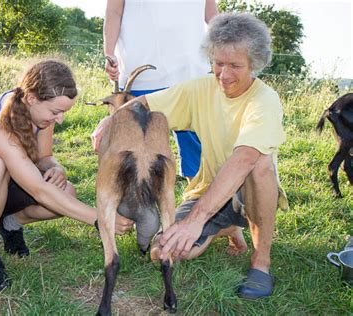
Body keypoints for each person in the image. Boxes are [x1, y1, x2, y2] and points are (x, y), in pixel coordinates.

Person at [92, 13, 289, 299]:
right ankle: (226, 227)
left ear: (254, 65)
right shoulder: (201, 88)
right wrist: (112, 119)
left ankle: (261, 263)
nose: (223, 74)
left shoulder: (265, 100)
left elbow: (244, 159)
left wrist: (195, 221)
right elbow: (146, 103)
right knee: (163, 251)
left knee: (260, 165)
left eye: (235, 65)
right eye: (218, 63)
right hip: (207, 190)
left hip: (250, 189)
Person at [0, 60, 134, 291]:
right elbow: (37, 189)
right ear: (32, 98)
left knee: (66, 192)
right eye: (56, 111)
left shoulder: (40, 115)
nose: (59, 119)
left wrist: (56, 167)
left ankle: (10, 225)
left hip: (5, 187)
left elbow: (44, 157)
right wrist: (101, 218)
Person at [103, 0, 218, 180]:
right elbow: (114, 11)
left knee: (196, 149)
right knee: (135, 153)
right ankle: (135, 203)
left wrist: (225, 51)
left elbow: (212, 16)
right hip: (141, 72)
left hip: (190, 69)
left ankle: (197, 201)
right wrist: (109, 52)